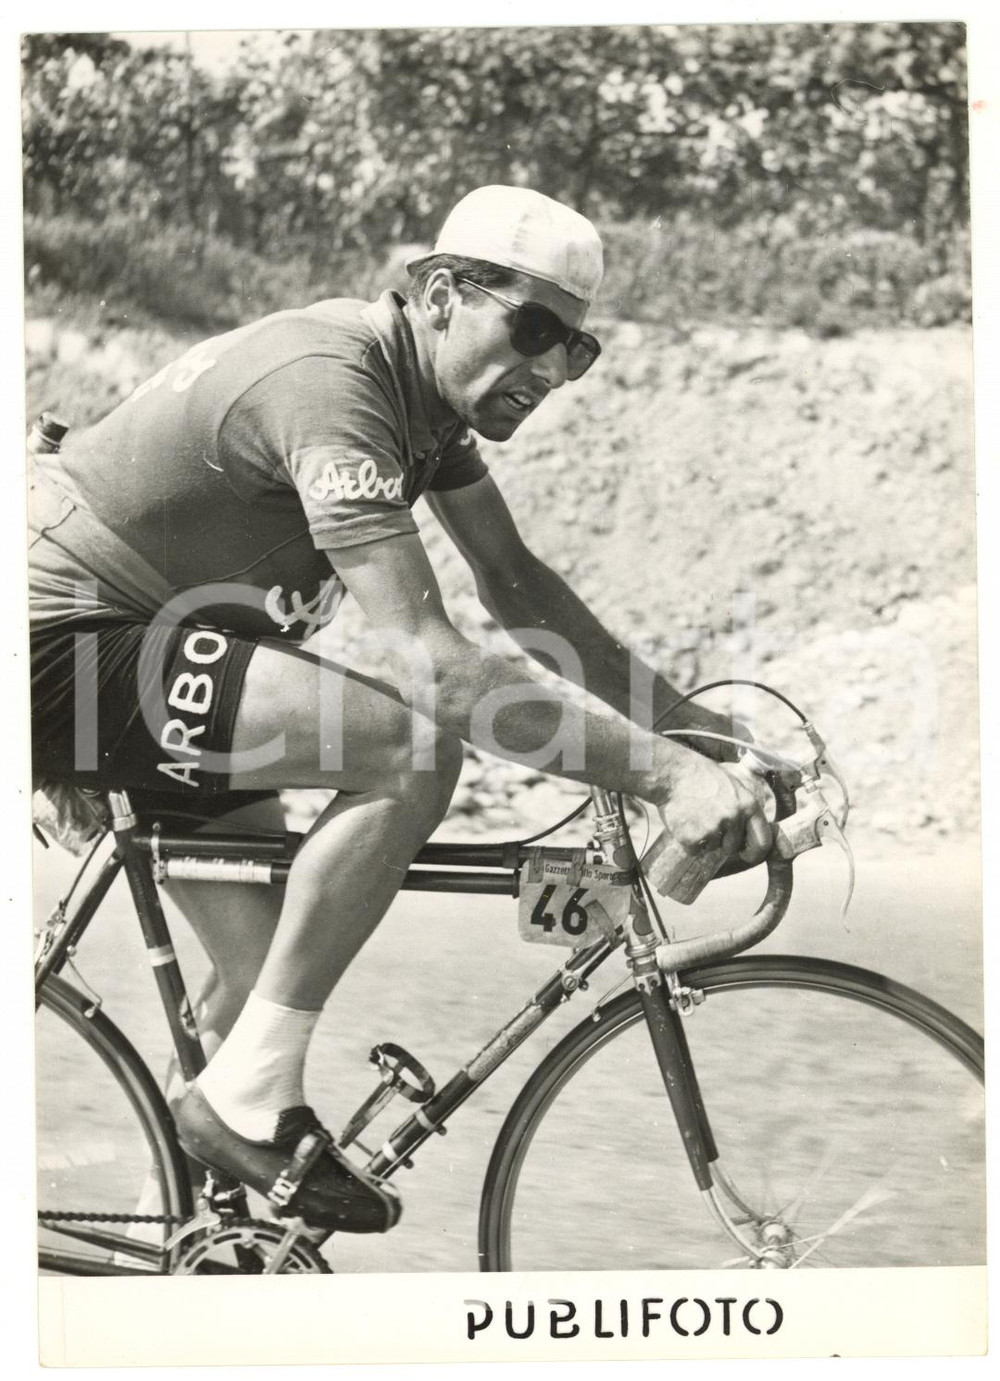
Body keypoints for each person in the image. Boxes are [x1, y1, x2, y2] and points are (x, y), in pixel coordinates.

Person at [29, 185, 771, 1234]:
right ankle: (241, 1107)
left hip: (164, 647)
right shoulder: (334, 385)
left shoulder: (427, 412)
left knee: (265, 964)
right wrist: (659, 775)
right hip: (58, 640)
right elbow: (437, 670)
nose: (555, 371)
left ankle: (181, 1237)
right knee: (405, 747)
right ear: (437, 292)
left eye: (580, 349)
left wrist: (693, 730)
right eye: (535, 330)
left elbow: (515, 583)